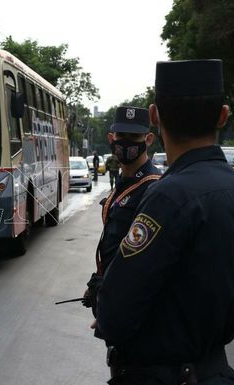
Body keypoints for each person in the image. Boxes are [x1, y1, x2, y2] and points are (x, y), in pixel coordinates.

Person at [94, 60, 234, 385]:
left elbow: (115, 314)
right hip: (217, 371)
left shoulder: (166, 198)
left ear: (154, 117)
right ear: (223, 116)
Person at [82, 106, 161, 333]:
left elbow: (142, 264)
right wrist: (96, 282)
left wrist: (115, 307)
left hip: (130, 310)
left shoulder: (152, 188)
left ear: (148, 139)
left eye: (134, 137)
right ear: (111, 138)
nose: (126, 143)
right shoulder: (124, 183)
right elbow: (115, 244)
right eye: (121, 136)